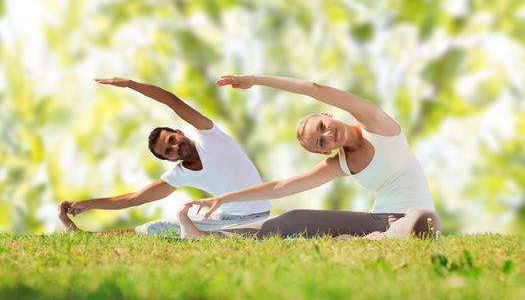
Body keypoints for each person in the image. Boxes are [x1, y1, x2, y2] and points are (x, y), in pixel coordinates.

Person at [185, 74, 441, 239]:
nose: (328, 134)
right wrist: (223, 198)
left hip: (414, 216)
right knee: (294, 218)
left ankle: (369, 241)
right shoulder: (340, 163)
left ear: (326, 115)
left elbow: (314, 88)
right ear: (324, 152)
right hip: (379, 219)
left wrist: (255, 79)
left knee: (423, 220)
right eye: (321, 142)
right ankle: (210, 237)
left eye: (321, 126)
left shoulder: (376, 123)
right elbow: (280, 187)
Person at [58, 77, 271, 235]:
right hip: (225, 220)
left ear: (179, 133)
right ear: (169, 160)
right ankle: (86, 237)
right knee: (156, 228)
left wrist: (130, 84)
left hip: (259, 216)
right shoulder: (179, 174)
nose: (175, 147)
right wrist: (87, 204)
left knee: (198, 233)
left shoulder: (209, 135)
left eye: (172, 140)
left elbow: (172, 101)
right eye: (168, 151)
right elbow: (134, 198)